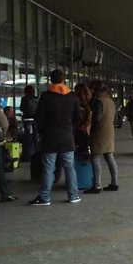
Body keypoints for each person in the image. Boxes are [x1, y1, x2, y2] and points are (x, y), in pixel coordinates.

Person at [29, 69, 82, 206]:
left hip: (50, 138)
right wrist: (71, 129)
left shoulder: (46, 96)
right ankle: (73, 195)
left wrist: (43, 131)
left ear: (50, 80)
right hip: (67, 137)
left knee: (48, 168)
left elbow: (39, 118)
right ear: (64, 80)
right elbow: (78, 117)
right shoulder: (72, 96)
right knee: (69, 167)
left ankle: (45, 197)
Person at [86, 85, 118, 193]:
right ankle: (114, 183)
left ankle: (97, 185)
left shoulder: (99, 102)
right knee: (109, 156)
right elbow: (116, 118)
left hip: (100, 132)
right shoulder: (112, 102)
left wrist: (92, 132)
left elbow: (96, 119)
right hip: (110, 131)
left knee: (95, 157)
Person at [19, 85, 39, 161]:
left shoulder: (24, 99)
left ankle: (27, 155)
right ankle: (37, 154)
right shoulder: (37, 99)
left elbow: (21, 108)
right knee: (35, 138)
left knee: (28, 138)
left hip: (27, 120)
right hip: (35, 120)